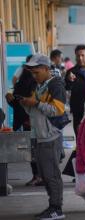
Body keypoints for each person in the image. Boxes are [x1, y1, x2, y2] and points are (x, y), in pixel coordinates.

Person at [19, 54, 66, 220]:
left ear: (46, 69)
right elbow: (35, 111)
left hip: (50, 137)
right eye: (32, 73)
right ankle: (52, 206)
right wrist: (25, 103)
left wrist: (36, 103)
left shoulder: (56, 85)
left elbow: (58, 110)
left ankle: (56, 208)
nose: (34, 76)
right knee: (45, 174)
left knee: (51, 174)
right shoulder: (39, 86)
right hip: (40, 135)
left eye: (36, 72)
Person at [5, 58, 43, 186]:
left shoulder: (36, 83)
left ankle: (40, 175)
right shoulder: (22, 82)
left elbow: (32, 102)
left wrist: (15, 100)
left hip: (33, 120)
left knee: (36, 149)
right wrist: (10, 100)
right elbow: (19, 104)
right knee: (32, 149)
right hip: (26, 120)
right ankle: (37, 175)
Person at [65, 45, 85, 137]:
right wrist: (69, 80)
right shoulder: (71, 72)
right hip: (78, 109)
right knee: (79, 135)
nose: (80, 58)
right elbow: (67, 88)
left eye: (82, 55)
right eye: (78, 56)